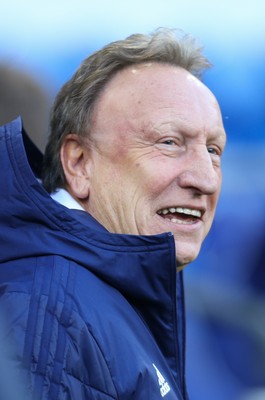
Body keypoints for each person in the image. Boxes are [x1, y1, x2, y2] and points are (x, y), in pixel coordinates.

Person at [0, 28, 226, 399]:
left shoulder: (96, 295)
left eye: (214, 151)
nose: (205, 179)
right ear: (79, 163)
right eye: (169, 142)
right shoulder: (49, 314)